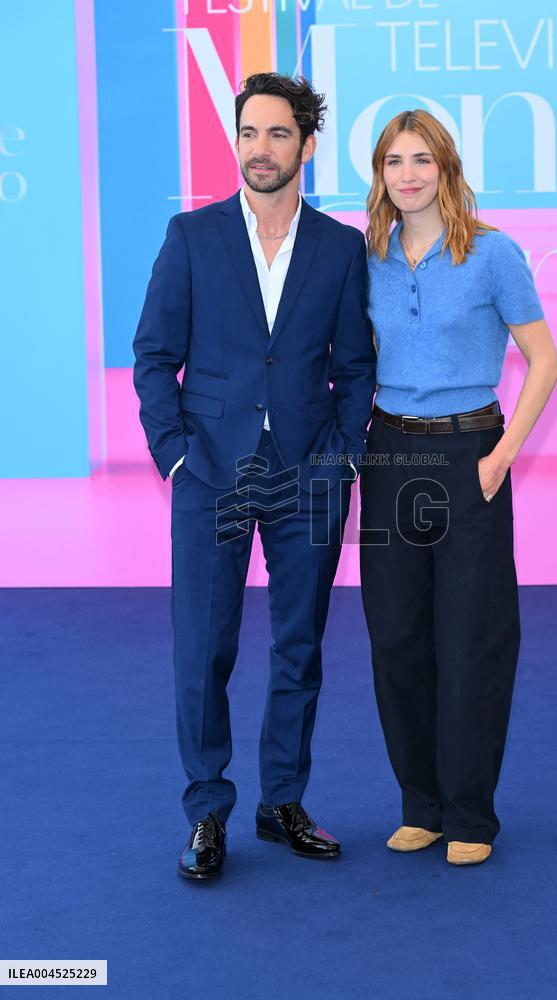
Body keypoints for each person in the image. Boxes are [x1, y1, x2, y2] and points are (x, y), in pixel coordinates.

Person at [133, 72, 375, 879]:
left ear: (306, 145)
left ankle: (282, 802)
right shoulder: (191, 237)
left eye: (277, 134)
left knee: (298, 645)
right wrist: (173, 456)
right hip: (209, 470)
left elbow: (356, 366)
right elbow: (153, 357)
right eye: (248, 133)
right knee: (204, 648)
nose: (260, 149)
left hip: (308, 473)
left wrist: (338, 456)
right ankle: (207, 811)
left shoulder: (340, 247)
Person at [360, 109, 557, 866]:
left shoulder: (493, 254)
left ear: (446, 167)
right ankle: (422, 805)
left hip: (468, 454)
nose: (407, 174)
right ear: (379, 175)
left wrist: (502, 454)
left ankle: (471, 813)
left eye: (421, 159)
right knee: (397, 638)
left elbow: (543, 361)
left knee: (472, 640)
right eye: (392, 162)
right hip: (389, 458)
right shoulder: (369, 255)